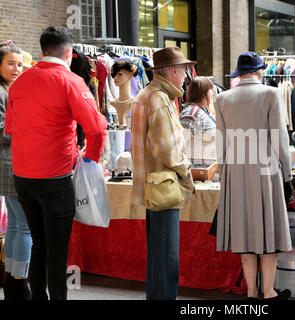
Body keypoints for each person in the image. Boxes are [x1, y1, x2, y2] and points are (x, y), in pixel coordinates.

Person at [5, 26, 107, 300]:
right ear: (70, 53)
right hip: (55, 177)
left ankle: (38, 296)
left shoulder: (19, 82)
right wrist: (90, 162)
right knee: (57, 250)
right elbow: (97, 129)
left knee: (39, 243)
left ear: (41, 52)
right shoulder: (71, 81)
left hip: (23, 176)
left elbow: (11, 129)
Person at [215, 51, 293, 300]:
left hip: (235, 170)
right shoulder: (271, 94)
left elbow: (220, 142)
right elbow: (280, 137)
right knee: (268, 234)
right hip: (266, 170)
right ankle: (269, 292)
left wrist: (223, 172)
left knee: (244, 234)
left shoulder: (222, 98)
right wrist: (287, 173)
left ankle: (251, 291)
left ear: (239, 73)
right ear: (259, 71)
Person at [130, 47, 195, 300]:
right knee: (167, 254)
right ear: (172, 71)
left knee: (158, 252)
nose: (186, 75)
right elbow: (167, 150)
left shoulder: (148, 95)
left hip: (153, 184)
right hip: (164, 184)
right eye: (184, 70)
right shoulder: (158, 99)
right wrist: (186, 171)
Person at [0, 41, 32, 300]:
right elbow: (2, 130)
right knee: (24, 225)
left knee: (15, 224)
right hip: (9, 163)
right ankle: (19, 283)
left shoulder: (11, 89)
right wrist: (29, 127)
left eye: (20, 64)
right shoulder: (1, 92)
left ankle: (13, 279)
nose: (16, 68)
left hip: (11, 161)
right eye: (10, 63)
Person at [110, 59, 139, 128]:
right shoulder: (113, 102)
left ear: (130, 76)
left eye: (120, 74)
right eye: (114, 74)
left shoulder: (133, 102)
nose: (115, 78)